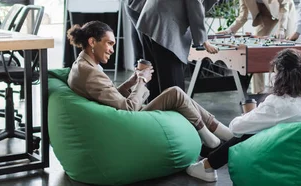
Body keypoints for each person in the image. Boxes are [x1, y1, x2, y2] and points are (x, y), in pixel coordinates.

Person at [66, 21, 233, 149]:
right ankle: (211, 136)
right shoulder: (90, 72)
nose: (112, 50)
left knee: (176, 95)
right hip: (126, 122)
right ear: (92, 42)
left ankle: (213, 130)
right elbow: (129, 109)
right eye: (109, 43)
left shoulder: (84, 64)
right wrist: (142, 80)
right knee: (175, 93)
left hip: (116, 117)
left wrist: (132, 81)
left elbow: (109, 95)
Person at [185, 48, 301, 182]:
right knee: (252, 128)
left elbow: (236, 128)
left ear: (281, 75)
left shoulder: (278, 103)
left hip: (280, 154)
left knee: (246, 134)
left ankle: (207, 166)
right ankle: (209, 152)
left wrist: (250, 115)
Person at [136, 0, 219, 101]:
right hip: (164, 24)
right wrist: (203, 40)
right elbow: (195, 5)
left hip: (150, 20)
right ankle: (171, 115)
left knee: (155, 82)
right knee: (174, 89)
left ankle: (155, 115)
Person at [217, 0, 298, 94]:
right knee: (255, 53)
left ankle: (287, 91)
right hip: (264, 15)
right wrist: (230, 30)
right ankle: (258, 93)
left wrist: (281, 29)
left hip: (284, 11)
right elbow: (243, 15)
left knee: (285, 50)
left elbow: (284, 6)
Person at [125, 0, 146, 67]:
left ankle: (139, 68)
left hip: (134, 5)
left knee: (139, 37)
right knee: (146, 44)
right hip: (141, 5)